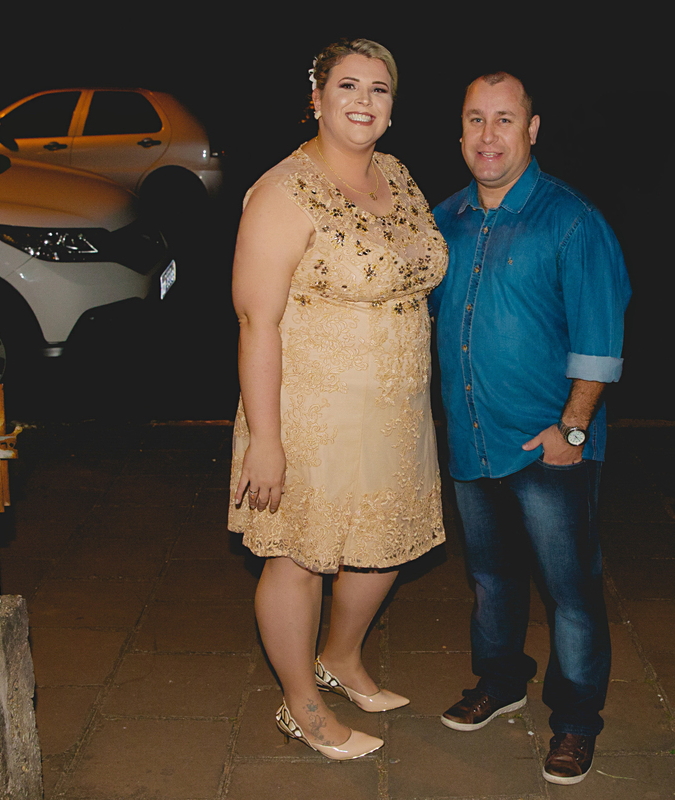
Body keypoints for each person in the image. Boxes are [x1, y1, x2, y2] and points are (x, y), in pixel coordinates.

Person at [229, 38, 447, 761]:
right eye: (348, 86)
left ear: (392, 107)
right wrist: (266, 439)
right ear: (317, 98)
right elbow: (257, 322)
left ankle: (341, 658)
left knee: (384, 545)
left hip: (397, 409)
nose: (363, 101)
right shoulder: (283, 191)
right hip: (310, 412)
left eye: (379, 89)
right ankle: (302, 704)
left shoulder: (398, 175)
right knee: (298, 556)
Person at [429, 72, 631, 785]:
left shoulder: (571, 220)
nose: (488, 136)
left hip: (549, 449)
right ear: (460, 131)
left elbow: (600, 340)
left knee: (570, 594)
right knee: (490, 579)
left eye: (504, 119)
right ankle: (501, 681)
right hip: (473, 439)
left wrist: (570, 433)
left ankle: (575, 723)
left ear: (532, 129)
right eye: (475, 119)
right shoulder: (444, 219)